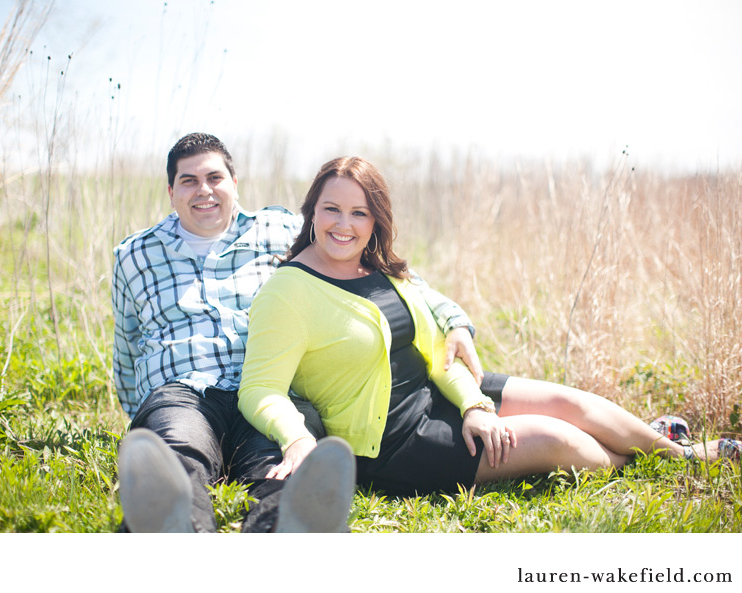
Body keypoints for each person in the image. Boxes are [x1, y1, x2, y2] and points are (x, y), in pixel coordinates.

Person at [238, 156, 724, 498]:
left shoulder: (379, 269)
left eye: (359, 212)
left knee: (571, 402)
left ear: (376, 220)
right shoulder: (288, 292)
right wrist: (297, 437)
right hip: (396, 443)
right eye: (332, 209)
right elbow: (259, 389)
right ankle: (635, 461)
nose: (344, 224)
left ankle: (674, 453)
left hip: (439, 391)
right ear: (312, 212)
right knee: (558, 438)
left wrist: (473, 404)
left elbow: (435, 352)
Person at [111, 134, 482, 531]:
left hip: (274, 389)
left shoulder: (281, 227)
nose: (204, 190)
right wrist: (144, 411)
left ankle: (288, 529)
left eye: (214, 177)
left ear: (234, 183)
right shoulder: (134, 255)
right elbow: (127, 347)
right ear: (171, 192)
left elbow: (395, 280)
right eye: (188, 181)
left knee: (288, 463)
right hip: (185, 390)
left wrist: (454, 319)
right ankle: (172, 524)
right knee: (178, 448)